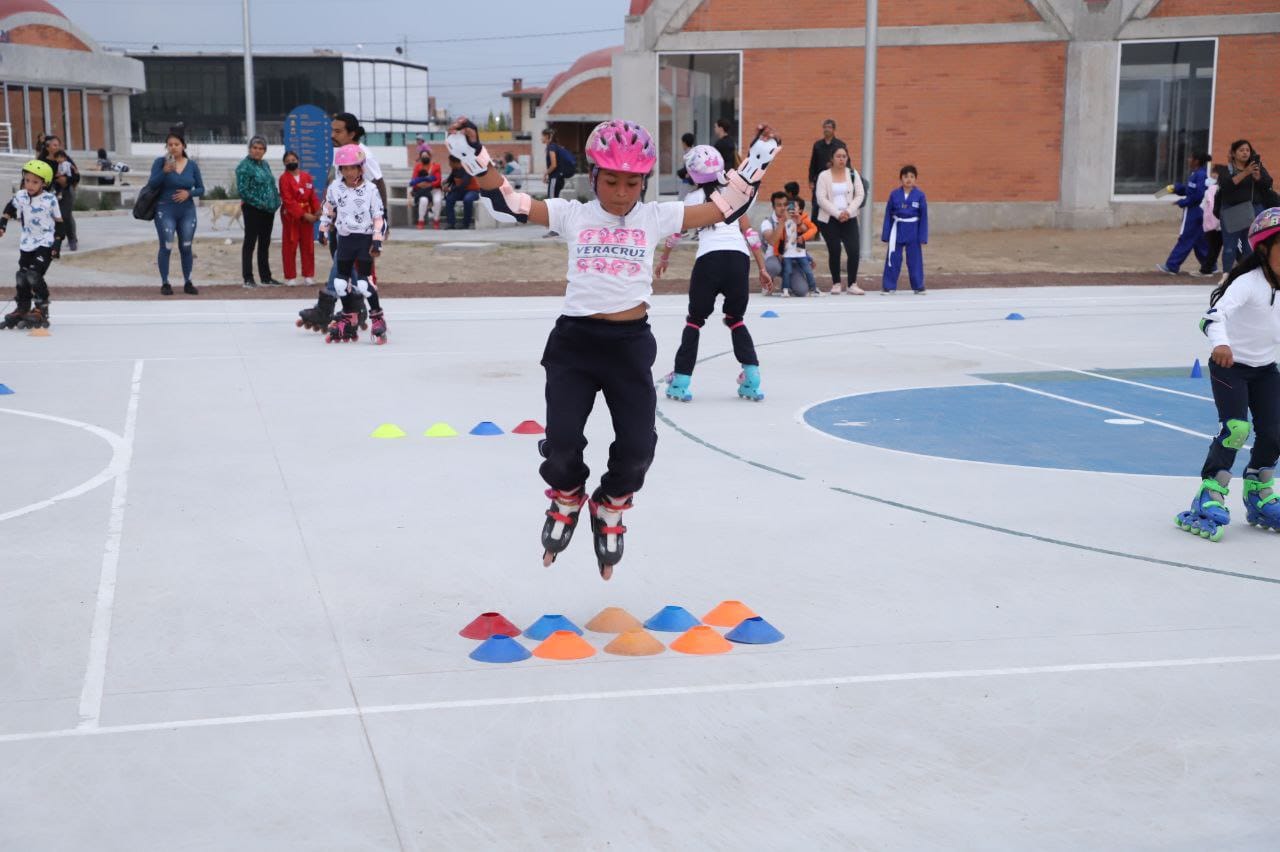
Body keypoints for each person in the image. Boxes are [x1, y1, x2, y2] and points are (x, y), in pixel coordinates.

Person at [447, 116, 778, 578]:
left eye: (632, 182)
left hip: (629, 346)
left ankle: (611, 504)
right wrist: (473, 154)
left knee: (639, 448)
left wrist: (757, 161)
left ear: (643, 182)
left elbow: (723, 207)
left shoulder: (654, 216)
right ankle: (566, 496)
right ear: (594, 176)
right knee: (561, 444)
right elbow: (510, 203)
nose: (622, 193)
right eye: (611, 181)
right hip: (574, 345)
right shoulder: (574, 214)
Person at [1177, 208, 1280, 541]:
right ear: (1264, 249)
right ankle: (1210, 492)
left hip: (1265, 369)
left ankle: (1259, 490)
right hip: (1230, 367)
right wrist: (1221, 344)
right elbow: (1212, 317)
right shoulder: (1247, 283)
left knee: (1275, 432)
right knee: (1236, 428)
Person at [655, 144, 772, 402]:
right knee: (736, 319)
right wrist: (762, 267)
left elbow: (676, 234)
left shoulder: (692, 200)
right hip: (738, 260)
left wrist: (664, 258)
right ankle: (752, 378)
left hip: (709, 261)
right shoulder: (733, 195)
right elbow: (750, 235)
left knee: (695, 321)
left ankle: (681, 381)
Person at [297, 113, 387, 333]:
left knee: (343, 261)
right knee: (346, 265)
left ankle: (325, 307)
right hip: (341, 222)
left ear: (352, 133)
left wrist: (383, 223)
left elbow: (379, 184)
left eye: (338, 131)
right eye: (332, 131)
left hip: (361, 226)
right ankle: (356, 307)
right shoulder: (342, 154)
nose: (332, 135)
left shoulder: (363, 154)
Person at [318, 144, 388, 345]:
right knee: (341, 283)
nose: (349, 172)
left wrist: (377, 240)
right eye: (344, 168)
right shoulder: (335, 188)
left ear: (360, 168)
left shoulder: (370, 189)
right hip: (345, 240)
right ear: (340, 170)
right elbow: (328, 210)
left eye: (353, 167)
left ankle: (377, 317)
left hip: (364, 240)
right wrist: (323, 229)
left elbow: (378, 216)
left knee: (364, 283)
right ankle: (350, 315)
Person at [0, 159, 60, 329]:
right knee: (22, 276)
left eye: (35, 182)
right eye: (27, 180)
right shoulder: (21, 196)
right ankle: (23, 307)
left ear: (44, 183)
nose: (30, 185)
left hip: (46, 242)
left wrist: (56, 245)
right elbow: (9, 208)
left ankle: (42, 308)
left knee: (34, 274)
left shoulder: (50, 200)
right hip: (27, 242)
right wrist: (2, 224)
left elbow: (60, 223)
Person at [145, 132, 204, 296]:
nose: (173, 147)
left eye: (176, 144)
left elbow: (201, 188)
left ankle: (188, 282)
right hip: (165, 210)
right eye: (170, 145)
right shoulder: (160, 162)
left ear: (183, 146)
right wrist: (164, 171)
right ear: (166, 147)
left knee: (186, 246)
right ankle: (165, 282)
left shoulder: (191, 165)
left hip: (187, 211)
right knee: (167, 245)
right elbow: (151, 184)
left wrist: (189, 194)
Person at [815, 144, 866, 294]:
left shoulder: (852, 173)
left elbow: (860, 194)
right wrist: (837, 213)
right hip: (829, 219)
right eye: (838, 156)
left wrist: (848, 212)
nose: (841, 159)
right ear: (832, 158)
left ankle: (852, 284)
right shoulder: (823, 176)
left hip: (849, 218)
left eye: (844, 156)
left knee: (854, 250)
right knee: (835, 249)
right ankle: (836, 283)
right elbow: (821, 198)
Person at [1219, 140, 1274, 278]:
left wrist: (1258, 177)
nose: (1245, 153)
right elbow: (1226, 186)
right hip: (1233, 211)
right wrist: (1245, 172)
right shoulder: (1228, 169)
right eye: (1241, 150)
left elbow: (1268, 184)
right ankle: (1226, 274)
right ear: (1234, 153)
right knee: (1230, 245)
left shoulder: (1257, 167)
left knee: (1249, 244)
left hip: (1252, 210)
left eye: (1247, 150)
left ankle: (1249, 274)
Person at [235, 135, 282, 288]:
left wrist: (276, 201)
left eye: (261, 148)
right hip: (252, 209)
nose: (257, 151)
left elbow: (271, 185)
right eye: (255, 148)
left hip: (268, 211)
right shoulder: (244, 166)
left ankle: (266, 277)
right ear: (249, 149)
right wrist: (260, 203)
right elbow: (243, 191)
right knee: (250, 242)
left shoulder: (265, 164)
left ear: (265, 151)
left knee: (264, 243)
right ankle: (248, 278)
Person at [1157, 152, 1211, 276]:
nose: (1188, 159)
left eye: (1191, 158)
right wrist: (1177, 188)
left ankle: (1172, 266)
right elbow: (1189, 190)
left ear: (1196, 161)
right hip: (1198, 211)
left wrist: (1182, 202)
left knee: (1186, 238)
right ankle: (1209, 265)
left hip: (1194, 211)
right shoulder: (1196, 174)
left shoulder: (1200, 175)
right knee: (1199, 240)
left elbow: (1198, 195)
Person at [881, 164, 929, 294]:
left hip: (913, 229)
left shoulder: (920, 196)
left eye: (912, 177)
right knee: (893, 257)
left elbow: (924, 217)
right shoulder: (894, 195)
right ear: (901, 178)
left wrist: (923, 236)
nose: (909, 179)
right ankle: (889, 285)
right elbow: (888, 215)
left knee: (915, 259)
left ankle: (918, 286)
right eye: (906, 176)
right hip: (897, 228)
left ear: (915, 179)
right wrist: (886, 234)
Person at [278, 150, 320, 286]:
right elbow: (288, 200)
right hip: (291, 217)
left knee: (308, 246)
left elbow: (312, 195)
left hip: (308, 216)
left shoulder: (306, 177)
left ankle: (308, 275)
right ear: (284, 163)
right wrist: (303, 215)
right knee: (290, 245)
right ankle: (290, 277)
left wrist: (317, 211)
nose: (291, 162)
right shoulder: (283, 179)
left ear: (298, 160)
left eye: (293, 160)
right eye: (288, 161)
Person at [38, 135, 78, 254]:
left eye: (58, 145)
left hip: (65, 190)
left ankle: (72, 239)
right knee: (50, 218)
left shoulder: (64, 158)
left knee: (65, 215)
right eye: (55, 145)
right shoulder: (42, 161)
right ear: (47, 147)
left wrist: (66, 180)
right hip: (49, 193)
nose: (57, 147)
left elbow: (76, 175)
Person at [776, 200, 819, 297]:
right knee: (787, 270)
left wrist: (803, 236)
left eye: (794, 207)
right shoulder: (782, 219)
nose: (791, 209)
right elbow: (778, 238)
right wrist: (778, 252)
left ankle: (813, 289)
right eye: (789, 207)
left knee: (808, 270)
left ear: (799, 209)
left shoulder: (803, 218)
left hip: (800, 251)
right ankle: (785, 289)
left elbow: (814, 229)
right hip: (787, 251)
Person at [807, 119, 846, 218]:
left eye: (829, 127)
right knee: (816, 206)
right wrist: (811, 180)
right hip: (819, 180)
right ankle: (815, 231)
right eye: (825, 127)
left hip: (835, 181)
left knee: (833, 206)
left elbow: (846, 163)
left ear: (834, 130)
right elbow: (813, 163)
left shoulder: (840, 145)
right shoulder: (817, 145)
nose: (826, 130)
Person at [1200, 164, 1230, 277]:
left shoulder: (1212, 189)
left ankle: (1207, 269)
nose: (1211, 176)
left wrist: (1214, 222)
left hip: (1214, 225)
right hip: (1223, 224)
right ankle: (1207, 269)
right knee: (1220, 248)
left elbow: (1208, 207)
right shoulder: (1227, 189)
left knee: (1215, 248)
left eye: (1213, 174)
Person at [442, 156, 480, 229]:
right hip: (460, 191)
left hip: (472, 191)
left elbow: (464, 184)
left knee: (467, 200)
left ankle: (466, 224)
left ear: (455, 163)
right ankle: (451, 223)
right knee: (449, 199)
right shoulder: (454, 169)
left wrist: (450, 189)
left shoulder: (467, 169)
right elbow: (450, 179)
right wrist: (445, 182)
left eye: (450, 162)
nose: (449, 164)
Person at [410, 148, 443, 229]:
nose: (425, 157)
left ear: (430, 156)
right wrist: (420, 185)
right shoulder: (417, 167)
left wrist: (430, 185)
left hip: (435, 189)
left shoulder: (436, 166)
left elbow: (438, 180)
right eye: (423, 156)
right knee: (423, 200)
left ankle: (436, 220)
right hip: (423, 190)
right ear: (420, 158)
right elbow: (413, 180)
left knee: (437, 201)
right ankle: (421, 221)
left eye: (426, 155)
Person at [542, 127, 576, 200]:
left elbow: (554, 165)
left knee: (551, 201)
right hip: (559, 179)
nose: (541, 138)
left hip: (555, 178)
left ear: (547, 136)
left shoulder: (551, 147)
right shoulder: (556, 146)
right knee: (554, 201)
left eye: (542, 136)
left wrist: (545, 174)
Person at [675, 132, 696, 198]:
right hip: (693, 181)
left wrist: (681, 173)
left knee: (682, 200)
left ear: (684, 143)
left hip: (688, 182)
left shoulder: (688, 154)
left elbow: (688, 168)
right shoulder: (695, 151)